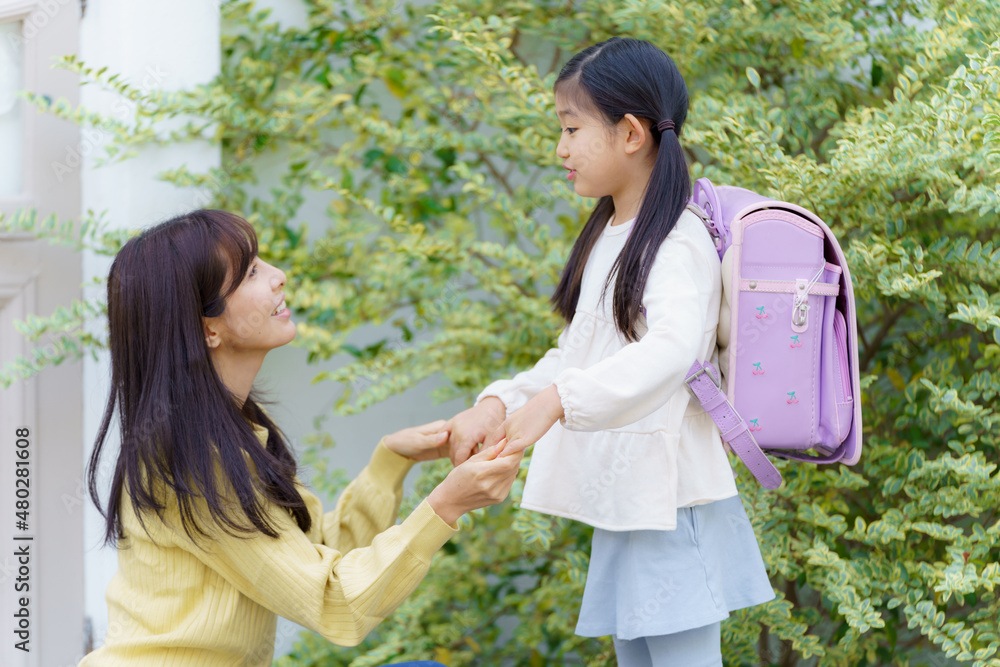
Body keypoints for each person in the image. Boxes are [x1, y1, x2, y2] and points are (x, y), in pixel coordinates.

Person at [445, 37, 775, 667]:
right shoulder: (612, 231)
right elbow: (576, 354)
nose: (560, 149)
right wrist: (499, 401)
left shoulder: (676, 238)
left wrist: (557, 402)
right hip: (633, 504)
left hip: (673, 505)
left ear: (630, 134)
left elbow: (673, 351)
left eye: (571, 129)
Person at [79, 209, 522, 666]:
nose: (278, 277)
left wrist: (389, 462)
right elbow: (337, 603)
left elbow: (315, 556)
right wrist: (446, 505)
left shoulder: (231, 430)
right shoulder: (189, 461)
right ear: (207, 327)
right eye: (251, 272)